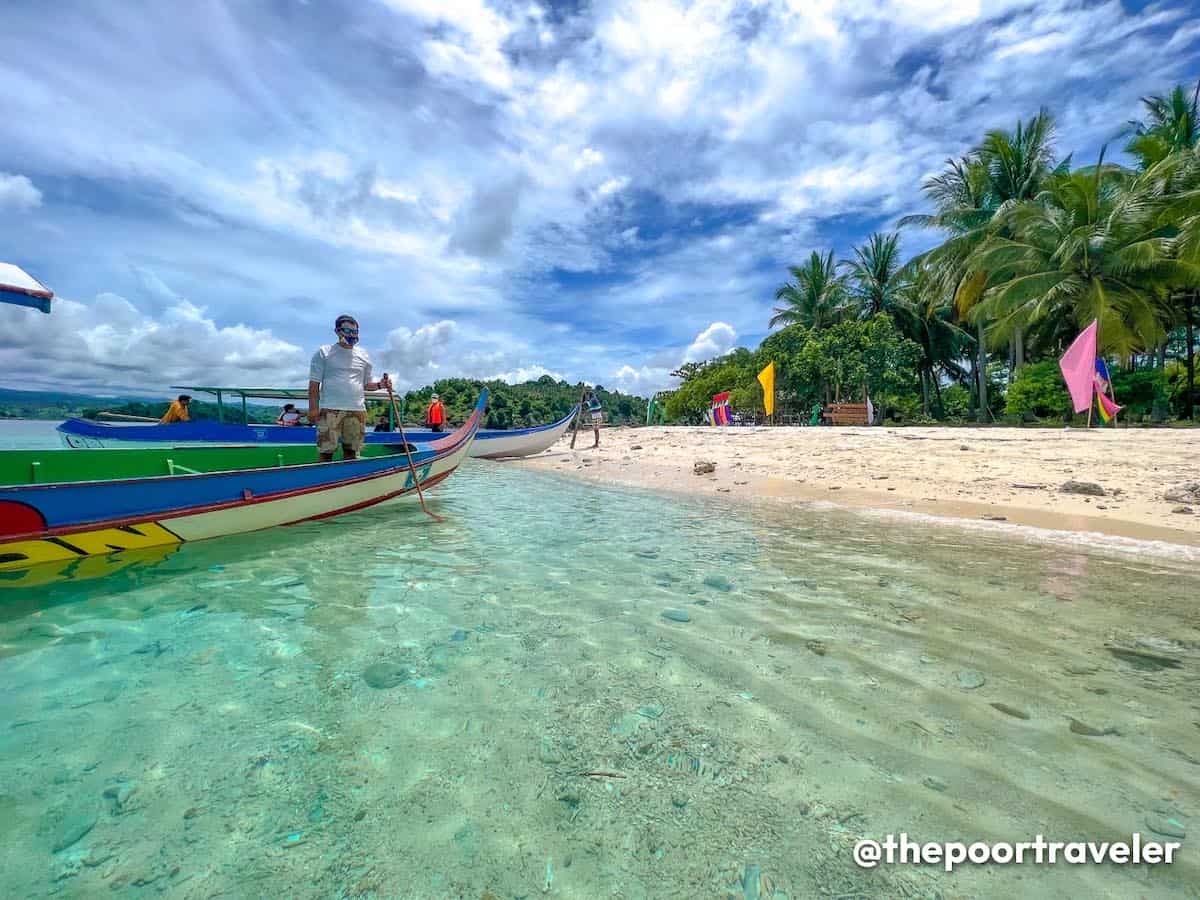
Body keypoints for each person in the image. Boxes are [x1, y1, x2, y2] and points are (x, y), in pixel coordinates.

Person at [307, 314, 392, 461]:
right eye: (348, 331)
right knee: (326, 451)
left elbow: (366, 384)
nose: (352, 335)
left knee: (352, 452)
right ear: (338, 331)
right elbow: (314, 384)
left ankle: (348, 482)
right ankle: (326, 481)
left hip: (357, 410)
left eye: (355, 331)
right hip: (330, 409)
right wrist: (313, 410)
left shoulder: (364, 355)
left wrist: (381, 385)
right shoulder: (324, 352)